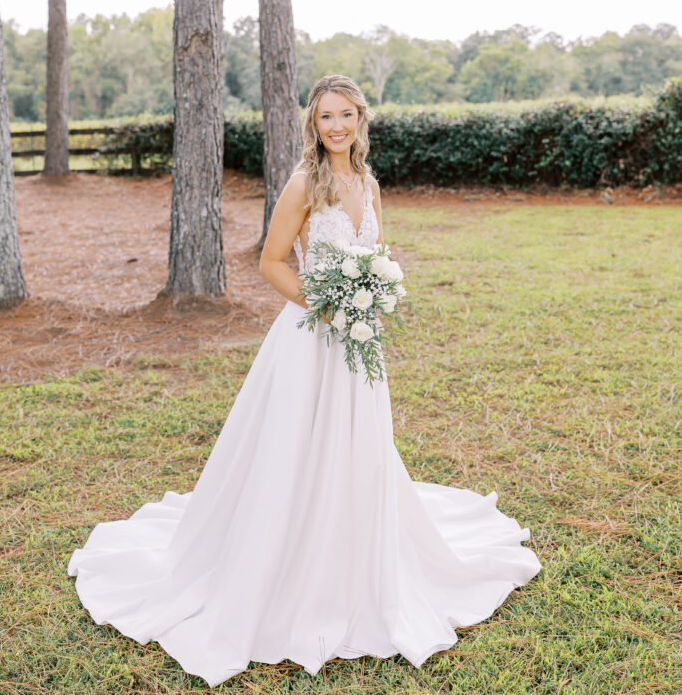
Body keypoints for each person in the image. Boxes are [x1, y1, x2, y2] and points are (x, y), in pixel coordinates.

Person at [67, 74, 542, 687]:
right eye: (326, 118)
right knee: (295, 449)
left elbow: (379, 250)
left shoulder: (369, 183)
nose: (337, 126)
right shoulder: (303, 184)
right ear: (313, 126)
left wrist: (373, 291)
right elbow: (271, 263)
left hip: (359, 344)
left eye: (346, 115)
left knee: (358, 448)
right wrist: (328, 305)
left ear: (361, 120)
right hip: (310, 340)